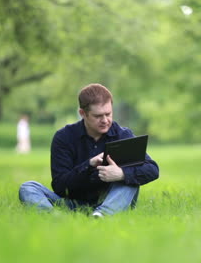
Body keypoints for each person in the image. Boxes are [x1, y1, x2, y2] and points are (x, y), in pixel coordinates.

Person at [18, 83, 159, 217]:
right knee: (28, 188)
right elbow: (59, 186)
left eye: (108, 114)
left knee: (129, 180)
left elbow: (152, 169)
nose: (105, 120)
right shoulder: (64, 137)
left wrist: (121, 174)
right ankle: (54, 218)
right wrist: (88, 165)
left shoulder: (122, 135)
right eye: (98, 116)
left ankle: (101, 215)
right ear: (82, 113)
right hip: (71, 203)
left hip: (112, 200)